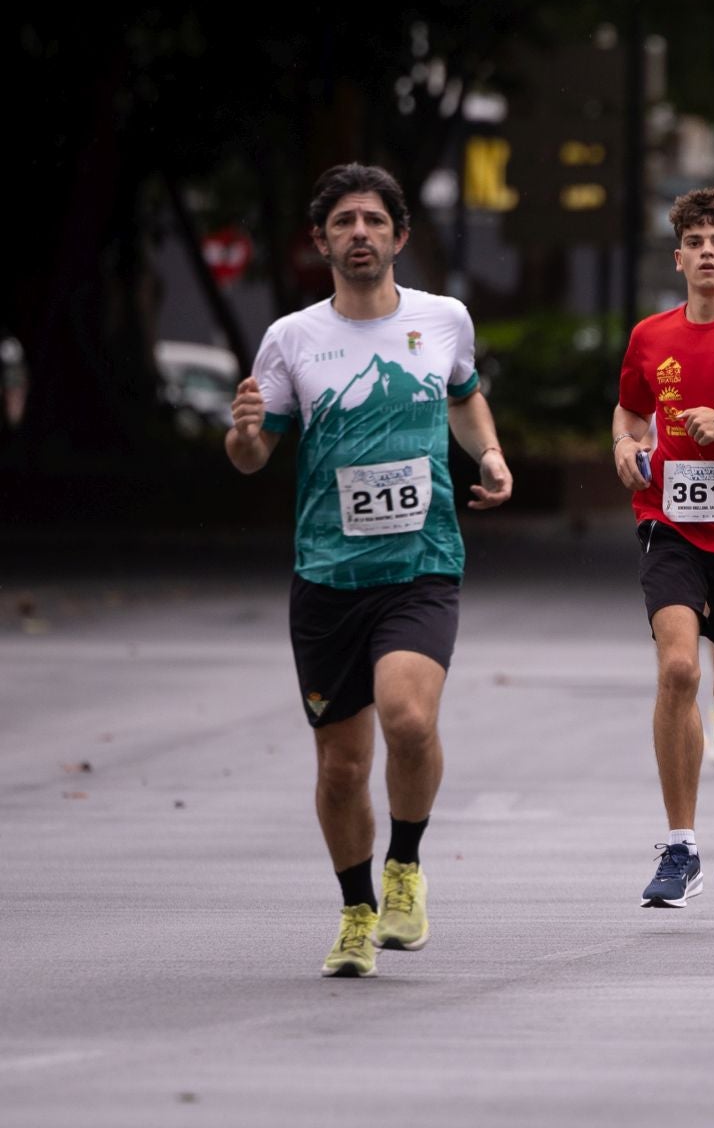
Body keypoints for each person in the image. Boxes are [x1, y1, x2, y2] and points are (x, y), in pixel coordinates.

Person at [226, 163, 513, 977]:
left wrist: (488, 453)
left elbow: (463, 394)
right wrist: (244, 434)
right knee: (342, 765)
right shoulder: (291, 338)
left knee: (410, 720)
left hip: (421, 562)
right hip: (327, 575)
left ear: (399, 236)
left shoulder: (443, 318)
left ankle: (406, 865)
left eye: (373, 221)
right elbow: (253, 456)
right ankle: (356, 912)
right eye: (343, 223)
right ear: (321, 242)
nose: (359, 234)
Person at [611, 186, 714, 910]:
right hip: (669, 522)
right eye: (695, 242)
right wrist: (624, 443)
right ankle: (679, 846)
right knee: (678, 670)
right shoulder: (650, 336)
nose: (707, 252)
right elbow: (632, 407)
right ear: (679, 259)